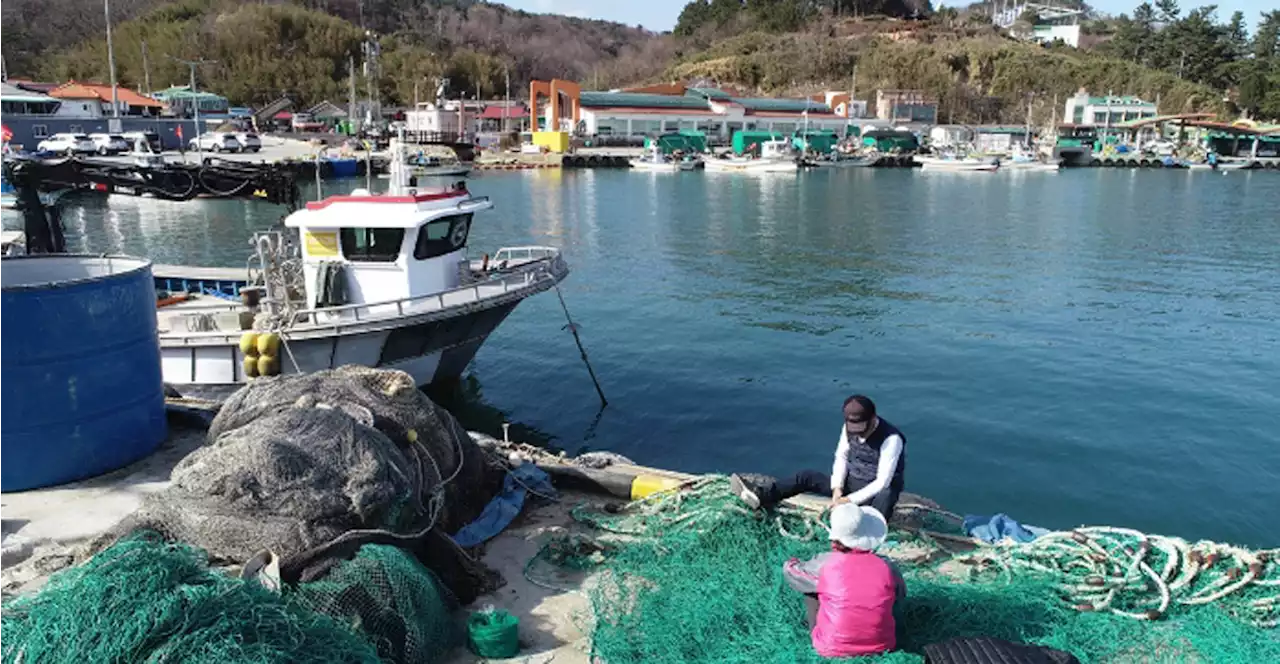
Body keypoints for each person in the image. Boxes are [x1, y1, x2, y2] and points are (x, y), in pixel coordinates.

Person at [730, 394, 905, 520]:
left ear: (873, 418)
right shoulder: (848, 428)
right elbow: (842, 457)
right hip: (852, 482)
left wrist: (848, 500)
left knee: (887, 493)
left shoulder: (891, 438)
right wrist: (837, 488)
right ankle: (762, 496)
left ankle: (871, 529)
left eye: (862, 427)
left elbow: (882, 482)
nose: (858, 433)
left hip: (875, 493)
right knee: (806, 476)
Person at [783, 503, 903, 658]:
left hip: (830, 648)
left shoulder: (825, 563)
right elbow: (901, 594)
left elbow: (791, 572)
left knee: (811, 589)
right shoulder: (888, 566)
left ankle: (814, 631)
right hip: (883, 646)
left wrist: (792, 561)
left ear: (835, 541)